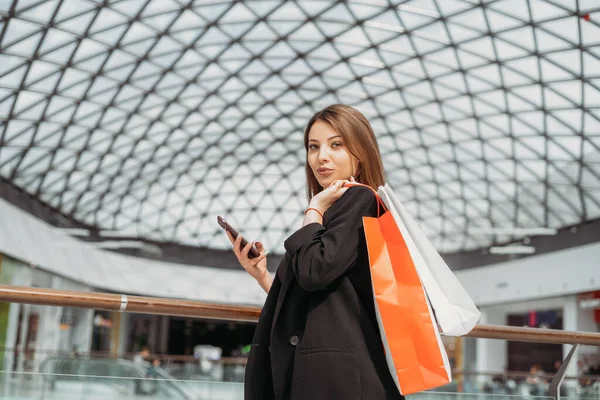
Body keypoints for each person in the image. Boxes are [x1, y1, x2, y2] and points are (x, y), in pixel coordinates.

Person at [227, 104, 403, 400]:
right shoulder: (338, 210)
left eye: (336, 145)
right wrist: (263, 276)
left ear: (360, 151)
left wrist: (313, 210)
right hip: (328, 372)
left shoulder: (359, 197)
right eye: (313, 146)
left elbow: (314, 271)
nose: (321, 156)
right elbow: (320, 296)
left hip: (336, 378)